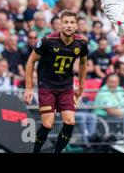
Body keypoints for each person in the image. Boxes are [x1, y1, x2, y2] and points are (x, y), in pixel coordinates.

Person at [23, 10, 88, 153]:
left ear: (76, 26)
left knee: (70, 121)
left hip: (66, 86)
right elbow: (31, 61)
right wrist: (29, 87)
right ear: (60, 25)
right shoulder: (48, 41)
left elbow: (83, 63)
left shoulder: (81, 43)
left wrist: (81, 86)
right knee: (47, 124)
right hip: (47, 86)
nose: (69, 26)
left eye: (72, 23)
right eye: (66, 22)